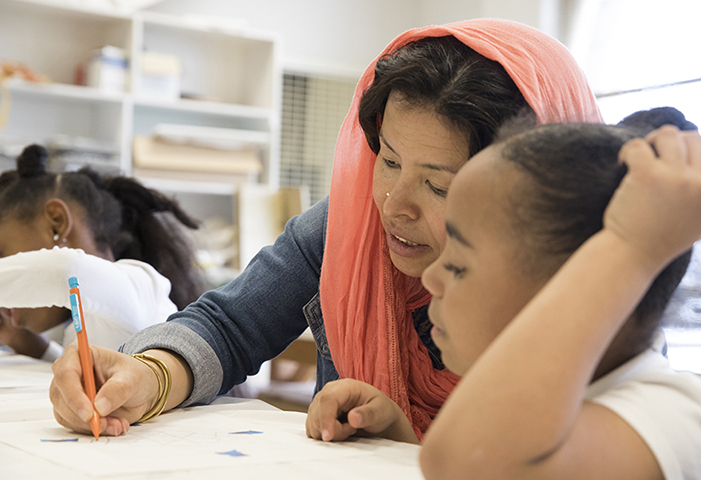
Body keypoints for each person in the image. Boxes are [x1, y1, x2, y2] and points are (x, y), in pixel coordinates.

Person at [49, 18, 603, 438]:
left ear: (532, 192)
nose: (392, 205)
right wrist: (148, 376)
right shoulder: (346, 229)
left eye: (439, 186)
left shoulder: (598, 304)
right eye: (387, 160)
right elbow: (230, 325)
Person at [305, 115, 701, 479]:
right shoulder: (534, 407)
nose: (433, 278)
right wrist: (399, 441)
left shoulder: (682, 416)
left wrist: (632, 246)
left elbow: (471, 462)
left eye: (458, 265)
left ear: (575, 289)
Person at [0, 144, 205, 361]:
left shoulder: (134, 285)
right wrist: (29, 345)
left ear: (57, 224)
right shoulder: (89, 320)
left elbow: (64, 270)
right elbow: (93, 374)